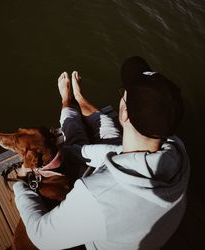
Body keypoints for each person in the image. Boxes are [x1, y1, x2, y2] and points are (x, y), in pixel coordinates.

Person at [13, 56, 190, 250]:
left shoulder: (96, 196)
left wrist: (20, 186)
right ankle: (77, 99)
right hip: (145, 232)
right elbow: (118, 151)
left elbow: (41, 236)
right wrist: (74, 152)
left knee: (81, 135)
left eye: (124, 95)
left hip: (102, 234)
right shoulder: (177, 151)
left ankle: (68, 102)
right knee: (103, 129)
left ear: (123, 113)